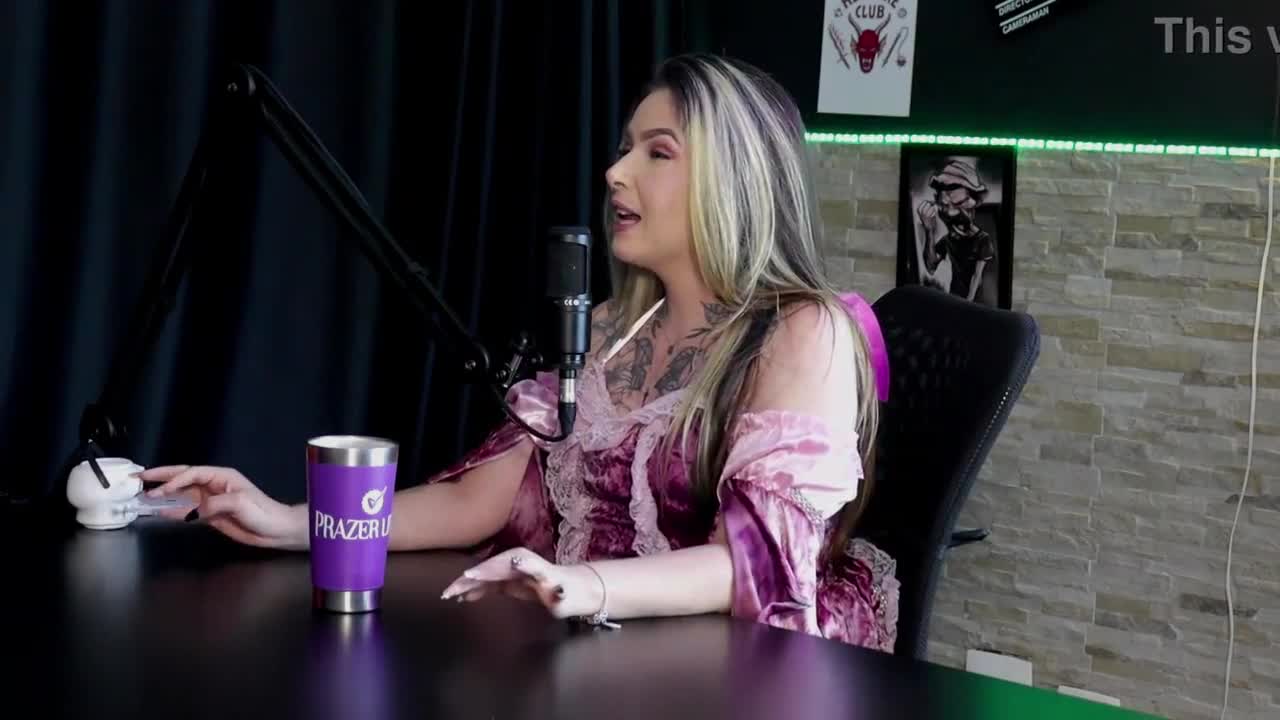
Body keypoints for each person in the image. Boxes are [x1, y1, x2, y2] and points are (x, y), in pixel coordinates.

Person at [141, 53, 900, 652]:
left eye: (657, 153)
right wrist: (289, 522)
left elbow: (759, 565)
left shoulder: (804, 332)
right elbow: (480, 500)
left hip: (752, 668)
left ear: (734, 179)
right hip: (615, 647)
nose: (616, 173)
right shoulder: (609, 329)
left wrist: (583, 585)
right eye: (624, 149)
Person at [916, 159, 996, 303]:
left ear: (973, 202)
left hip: (977, 304)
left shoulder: (983, 239)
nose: (950, 212)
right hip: (956, 300)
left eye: (958, 203)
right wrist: (929, 230)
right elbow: (931, 266)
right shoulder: (949, 239)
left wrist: (967, 305)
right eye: (945, 205)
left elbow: (976, 277)